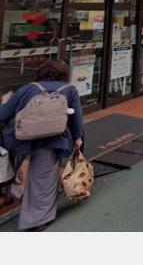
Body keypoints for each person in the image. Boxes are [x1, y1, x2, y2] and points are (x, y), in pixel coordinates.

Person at [0, 60, 84, 231]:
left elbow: (4, 114)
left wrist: (4, 101)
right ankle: (35, 221)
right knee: (44, 179)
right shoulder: (69, 90)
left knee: (13, 170)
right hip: (53, 140)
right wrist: (78, 140)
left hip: (20, 139)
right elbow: (77, 120)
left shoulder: (27, 88)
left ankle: (17, 192)